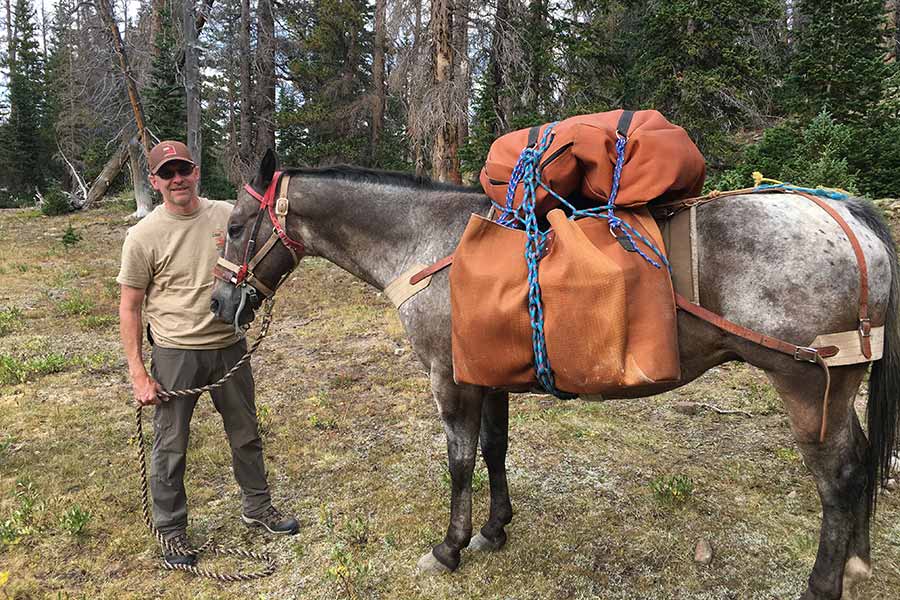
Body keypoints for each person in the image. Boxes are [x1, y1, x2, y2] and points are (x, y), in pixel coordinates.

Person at [117, 140, 299, 568]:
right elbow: (129, 306)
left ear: (196, 171)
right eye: (167, 173)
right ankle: (171, 529)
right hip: (176, 353)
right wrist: (138, 374)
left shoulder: (226, 216)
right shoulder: (143, 236)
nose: (177, 179)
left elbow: (259, 248)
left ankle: (257, 506)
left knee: (246, 434)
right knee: (171, 444)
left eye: (183, 170)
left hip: (229, 346)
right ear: (154, 181)